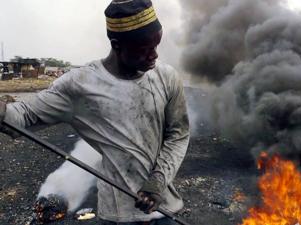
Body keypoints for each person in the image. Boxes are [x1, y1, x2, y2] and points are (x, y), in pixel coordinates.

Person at [0, 0, 190, 224]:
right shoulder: (80, 84)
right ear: (117, 45)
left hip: (165, 209)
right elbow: (23, 116)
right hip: (119, 216)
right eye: (144, 49)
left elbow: (178, 134)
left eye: (156, 46)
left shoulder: (166, 77)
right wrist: (3, 111)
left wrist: (157, 182)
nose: (154, 56)